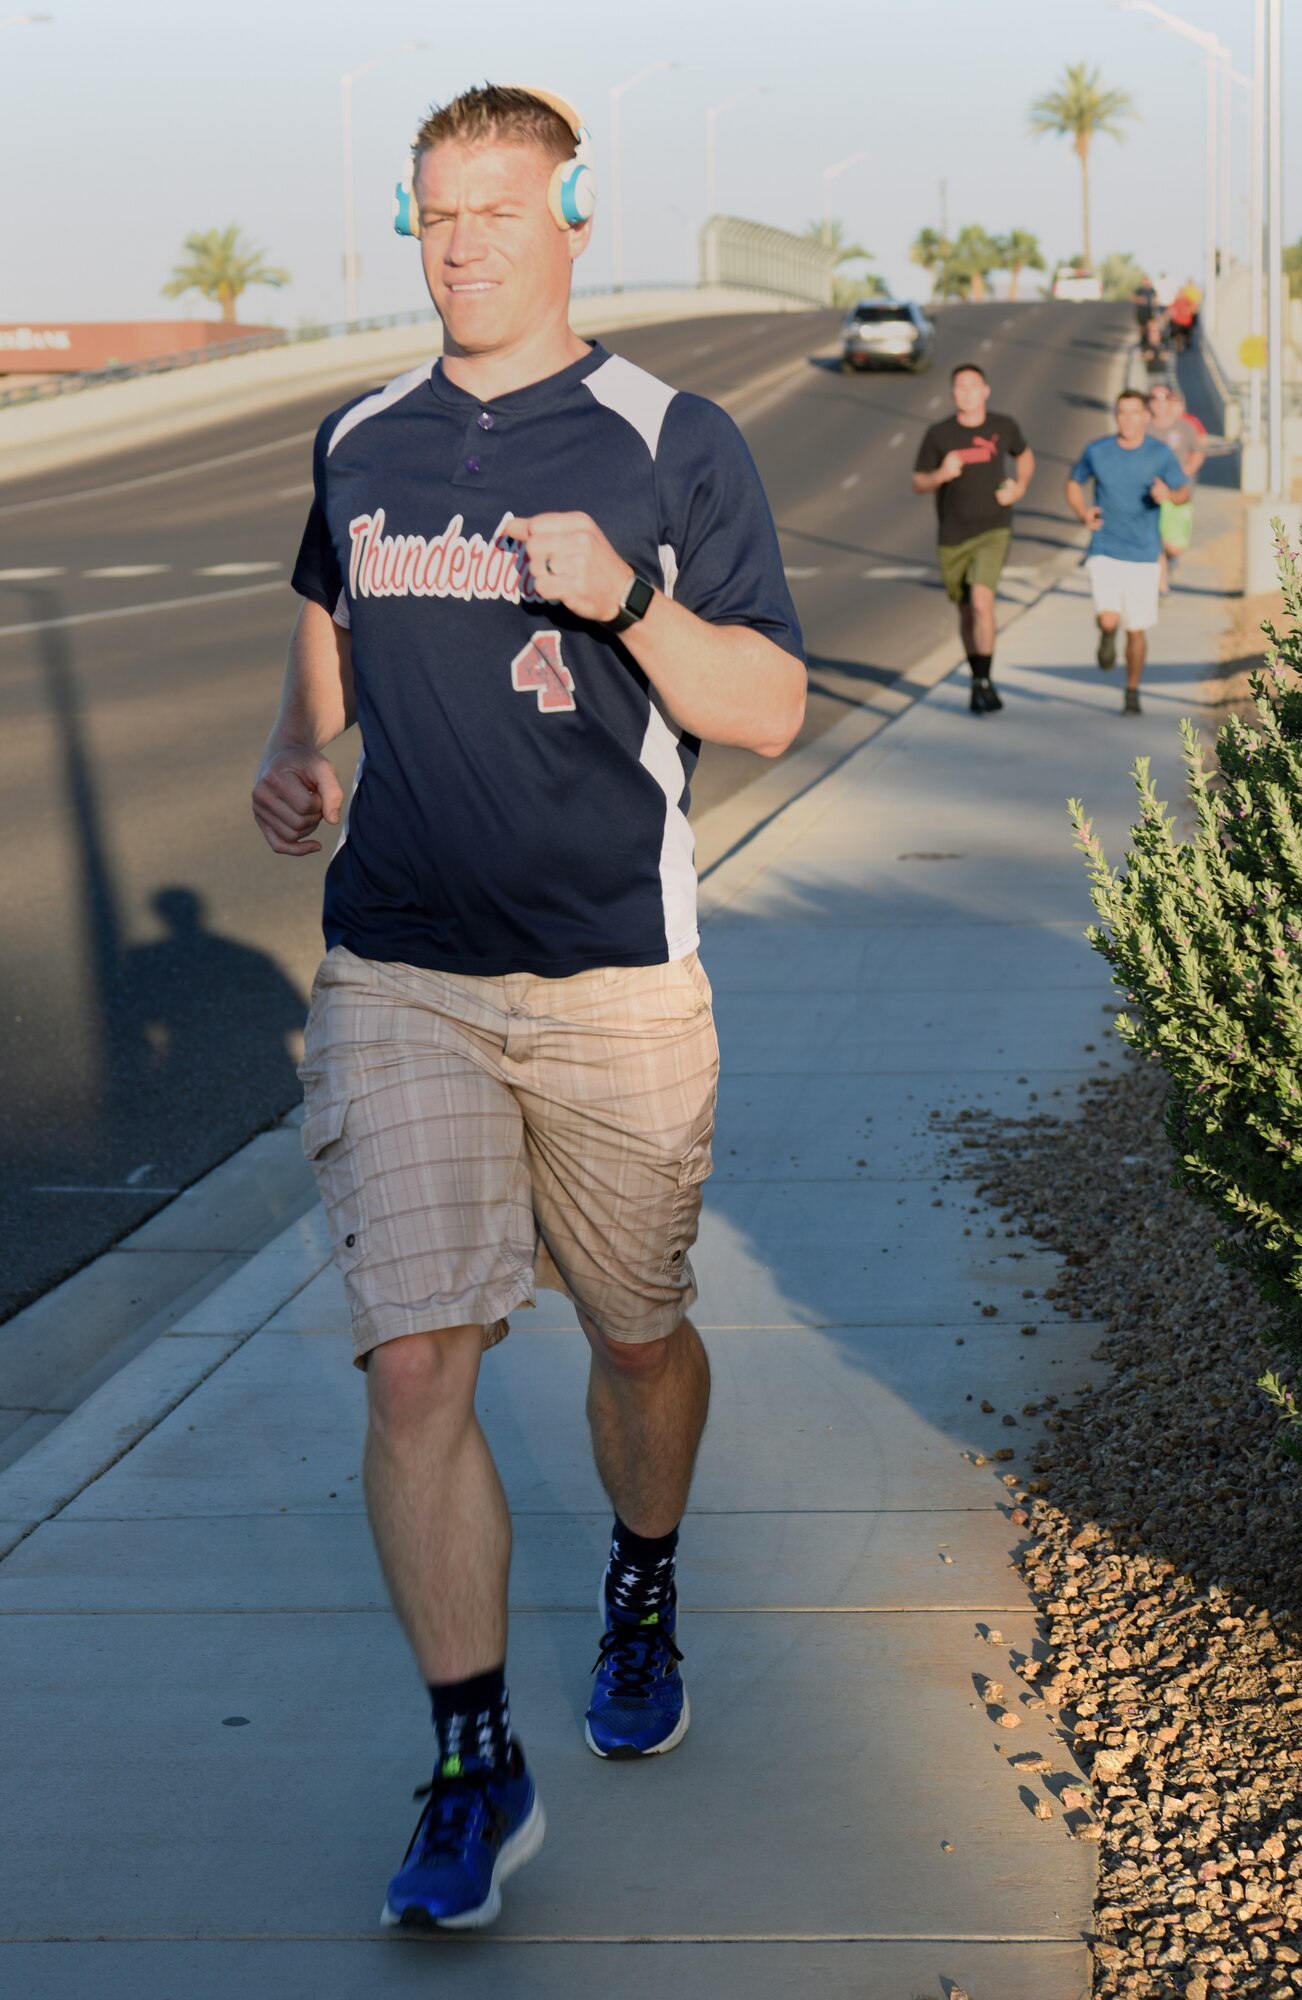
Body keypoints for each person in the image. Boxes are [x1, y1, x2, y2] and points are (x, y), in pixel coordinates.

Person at [250, 82, 806, 1932]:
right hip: (395, 965)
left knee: (637, 1336)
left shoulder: (672, 439)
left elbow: (768, 710)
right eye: (430, 214)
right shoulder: (361, 436)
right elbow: (327, 601)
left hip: (611, 988)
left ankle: (641, 1576)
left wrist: (627, 596)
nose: (459, 242)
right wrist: (297, 750)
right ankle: (472, 1760)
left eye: (493, 209)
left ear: (575, 212)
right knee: (416, 1358)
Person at [912, 363, 1035, 714]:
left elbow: (1025, 457)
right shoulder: (939, 435)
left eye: (973, 386)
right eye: (960, 387)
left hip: (994, 529)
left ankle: (984, 679)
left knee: (982, 602)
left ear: (986, 390)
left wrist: (1019, 486)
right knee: (967, 614)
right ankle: (978, 678)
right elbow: (918, 482)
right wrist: (941, 473)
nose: (966, 392)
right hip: (953, 536)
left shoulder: (1003, 426)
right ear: (952, 393)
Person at [1063, 388, 1189, 714]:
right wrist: (1082, 513)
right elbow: (1073, 482)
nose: (1127, 419)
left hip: (1145, 553)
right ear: (1115, 416)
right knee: (1109, 618)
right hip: (1105, 547)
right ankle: (1106, 636)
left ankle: (1132, 690)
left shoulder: (1160, 453)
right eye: (1122, 412)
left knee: (1136, 630)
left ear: (1146, 417)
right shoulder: (1097, 450)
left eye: (1134, 412)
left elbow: (1183, 491)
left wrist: (1168, 495)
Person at [1146, 382, 1206, 593]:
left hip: (1178, 494)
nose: (1159, 404)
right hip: (1151, 494)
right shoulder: (1145, 428)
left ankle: (1171, 561)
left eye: (1163, 398)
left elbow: (1198, 453)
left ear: (1170, 401)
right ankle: (1162, 586)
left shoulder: (1183, 427)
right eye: (1154, 399)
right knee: (1156, 540)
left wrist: (1185, 472)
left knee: (1174, 546)